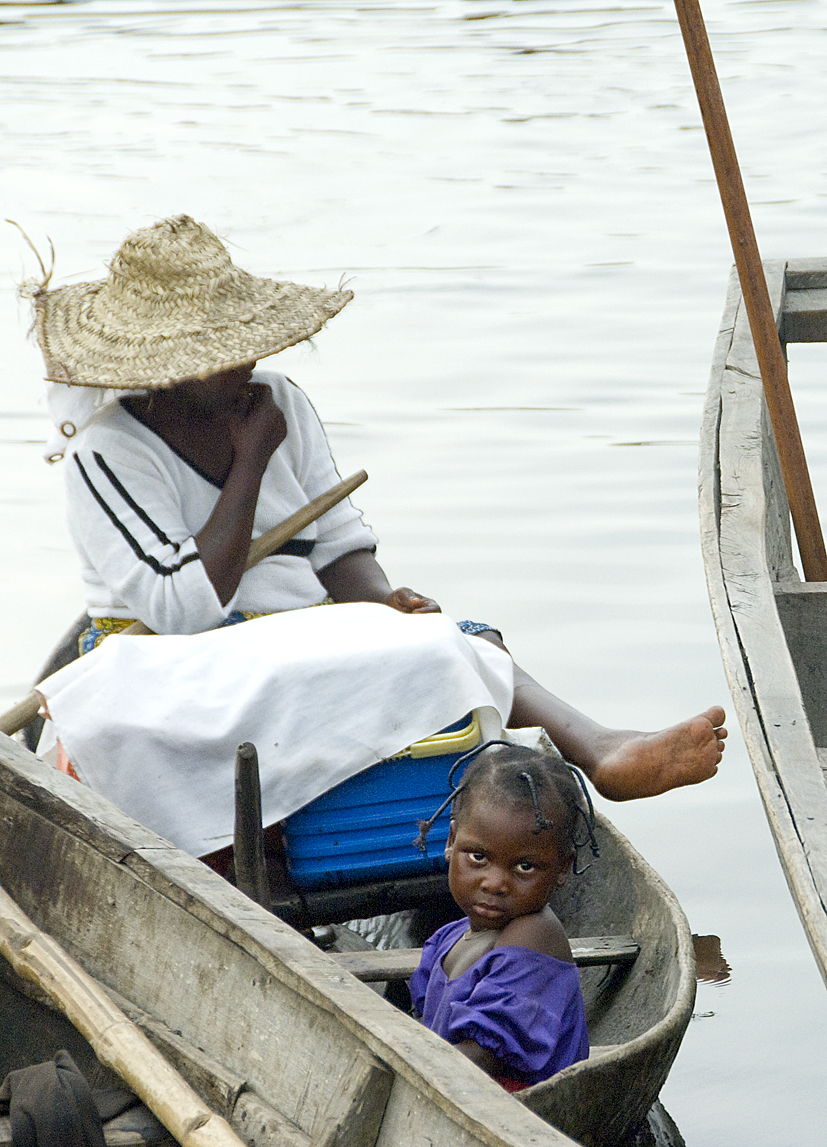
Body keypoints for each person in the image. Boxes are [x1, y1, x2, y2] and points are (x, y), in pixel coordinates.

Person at [29, 214, 726, 808]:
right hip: (169, 663)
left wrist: (381, 600)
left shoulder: (279, 401)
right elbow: (186, 611)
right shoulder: (110, 452)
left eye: (246, 342)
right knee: (418, 655)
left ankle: (599, 749)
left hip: (293, 638)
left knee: (464, 641)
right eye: (222, 353)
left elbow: (337, 544)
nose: (248, 360)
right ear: (167, 365)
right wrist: (249, 463)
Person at [409, 740, 593, 1090]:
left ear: (562, 868)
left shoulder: (534, 936)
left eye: (525, 867)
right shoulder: (447, 938)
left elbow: (482, 1056)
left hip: (514, 1113)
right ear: (451, 842)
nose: (494, 883)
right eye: (478, 857)